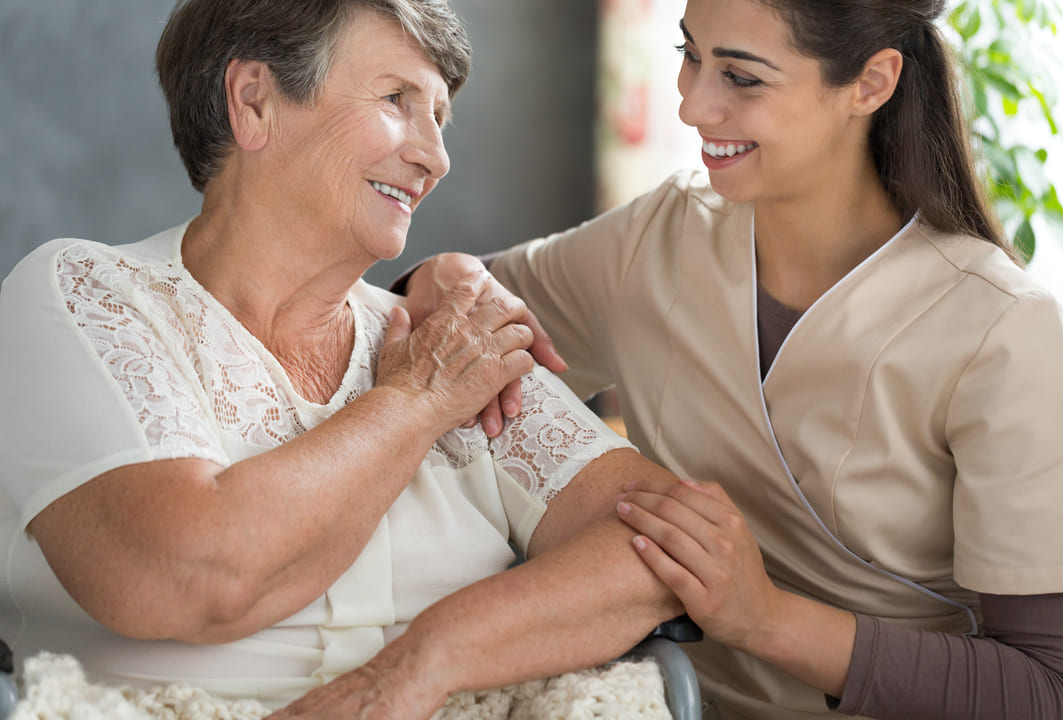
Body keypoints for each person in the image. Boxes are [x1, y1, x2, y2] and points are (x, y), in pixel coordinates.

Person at [0, 1, 689, 718]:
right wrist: (415, 401)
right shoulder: (82, 297)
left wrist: (416, 670)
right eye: (398, 100)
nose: (436, 156)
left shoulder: (451, 336)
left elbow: (664, 540)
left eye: (440, 118)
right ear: (255, 103)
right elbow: (182, 576)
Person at [400, 0, 1063, 717]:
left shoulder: (1003, 332)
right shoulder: (660, 238)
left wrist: (764, 618)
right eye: (690, 54)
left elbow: (1054, 691)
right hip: (654, 697)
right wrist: (443, 274)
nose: (693, 105)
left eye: (742, 78)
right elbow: (447, 310)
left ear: (872, 84)